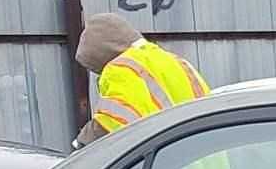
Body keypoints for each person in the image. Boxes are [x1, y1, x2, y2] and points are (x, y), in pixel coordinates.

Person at [73, 11, 209, 146]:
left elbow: (111, 121)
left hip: (173, 159)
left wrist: (81, 145)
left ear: (101, 54)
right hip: (208, 157)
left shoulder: (121, 68)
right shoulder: (175, 61)